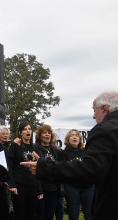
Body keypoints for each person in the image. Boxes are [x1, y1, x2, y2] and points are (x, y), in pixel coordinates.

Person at [21, 91, 118, 220]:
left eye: (94, 110)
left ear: (105, 109)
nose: (94, 116)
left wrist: (46, 168)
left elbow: (90, 169)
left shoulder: (105, 130)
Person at [7, 121, 43, 220]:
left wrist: (39, 189)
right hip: (19, 185)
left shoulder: (35, 148)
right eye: (25, 129)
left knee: (31, 214)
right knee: (19, 214)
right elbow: (9, 166)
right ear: (20, 132)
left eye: (29, 129)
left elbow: (39, 169)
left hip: (33, 185)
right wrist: (12, 184)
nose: (28, 131)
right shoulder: (15, 146)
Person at [59, 129, 94, 220]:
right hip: (72, 187)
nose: (74, 137)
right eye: (72, 135)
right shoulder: (63, 153)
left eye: (77, 135)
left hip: (88, 187)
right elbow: (63, 170)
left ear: (80, 139)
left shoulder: (87, 151)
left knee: (89, 214)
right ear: (68, 139)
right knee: (74, 215)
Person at [34, 124, 59, 220]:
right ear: (40, 136)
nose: (47, 135)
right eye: (44, 133)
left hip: (53, 188)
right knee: (40, 215)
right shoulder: (35, 148)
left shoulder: (55, 149)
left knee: (50, 215)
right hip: (41, 188)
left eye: (49, 133)